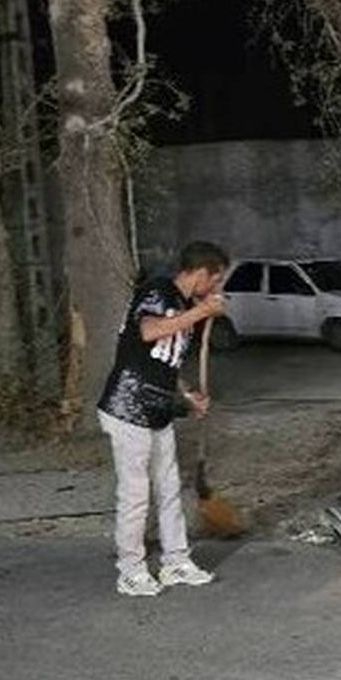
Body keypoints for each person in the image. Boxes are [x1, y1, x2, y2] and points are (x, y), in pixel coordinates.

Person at [97, 241, 229, 597]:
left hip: (157, 411)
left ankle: (176, 562)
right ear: (200, 272)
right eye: (215, 279)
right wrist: (201, 313)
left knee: (169, 489)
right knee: (136, 494)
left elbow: (164, 360)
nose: (215, 288)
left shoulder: (184, 306)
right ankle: (131, 570)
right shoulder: (157, 290)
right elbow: (149, 331)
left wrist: (188, 395)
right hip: (126, 408)